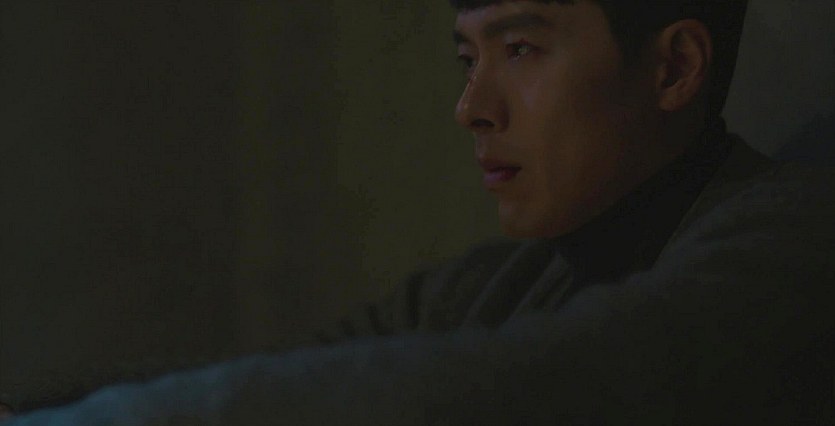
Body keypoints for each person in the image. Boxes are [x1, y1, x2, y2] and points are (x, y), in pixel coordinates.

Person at [3, 0, 834, 424]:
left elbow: (537, 388)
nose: (472, 107)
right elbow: (295, 378)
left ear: (673, 68)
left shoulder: (798, 239)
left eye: (520, 50)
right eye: (468, 58)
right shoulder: (491, 286)